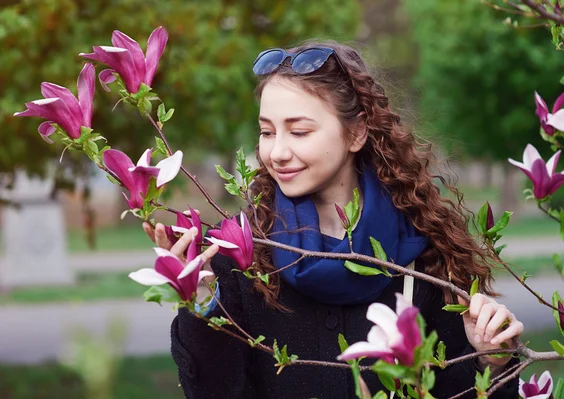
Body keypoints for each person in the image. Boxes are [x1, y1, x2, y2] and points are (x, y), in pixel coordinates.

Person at [143, 41, 523, 399]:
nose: (276, 152)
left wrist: (493, 360)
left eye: (299, 131)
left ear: (356, 132)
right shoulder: (239, 254)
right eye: (266, 131)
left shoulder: (426, 250)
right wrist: (203, 303)